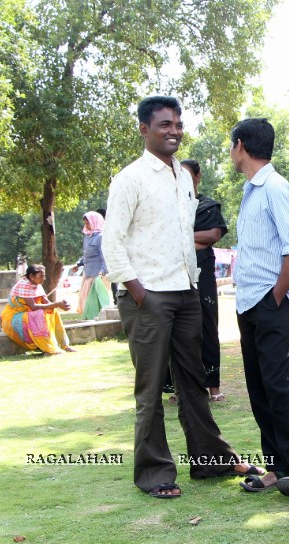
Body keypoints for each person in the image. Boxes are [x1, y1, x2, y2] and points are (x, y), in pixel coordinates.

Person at [104, 96, 259, 500]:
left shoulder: (182, 178)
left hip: (185, 290)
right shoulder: (130, 178)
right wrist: (139, 291)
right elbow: (112, 242)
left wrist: (190, 283)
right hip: (147, 296)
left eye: (177, 124)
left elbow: (182, 238)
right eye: (163, 125)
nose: (173, 131)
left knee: (193, 381)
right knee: (152, 386)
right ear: (144, 130)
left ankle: (211, 460)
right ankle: (154, 473)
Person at [230, 117, 289, 498]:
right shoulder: (252, 190)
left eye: (230, 145)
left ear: (240, 146)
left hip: (269, 302)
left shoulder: (275, 187)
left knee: (280, 387)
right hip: (248, 301)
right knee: (260, 388)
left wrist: (276, 297)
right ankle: (277, 467)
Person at [181, 159, 228, 402]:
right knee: (179, 331)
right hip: (177, 273)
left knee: (207, 326)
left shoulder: (208, 206)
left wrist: (182, 237)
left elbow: (213, 234)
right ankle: (183, 389)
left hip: (204, 273)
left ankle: (213, 387)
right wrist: (196, 241)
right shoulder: (171, 207)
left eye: (188, 175)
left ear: (198, 177)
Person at [2, 265, 74, 354]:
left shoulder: (36, 284)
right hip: (16, 316)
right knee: (38, 314)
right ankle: (47, 349)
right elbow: (33, 307)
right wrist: (56, 304)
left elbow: (46, 302)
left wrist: (60, 305)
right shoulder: (24, 285)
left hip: (29, 313)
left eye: (44, 276)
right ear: (32, 276)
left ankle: (65, 345)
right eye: (41, 276)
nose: (44, 279)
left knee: (53, 311)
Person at [75, 210, 111, 318]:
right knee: (86, 299)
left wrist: (102, 272)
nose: (87, 226)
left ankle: (100, 320)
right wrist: (78, 264)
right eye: (85, 223)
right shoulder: (87, 236)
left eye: (88, 223)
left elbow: (104, 256)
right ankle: (89, 319)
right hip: (88, 273)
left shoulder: (101, 237)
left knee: (98, 300)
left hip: (98, 275)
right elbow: (86, 254)